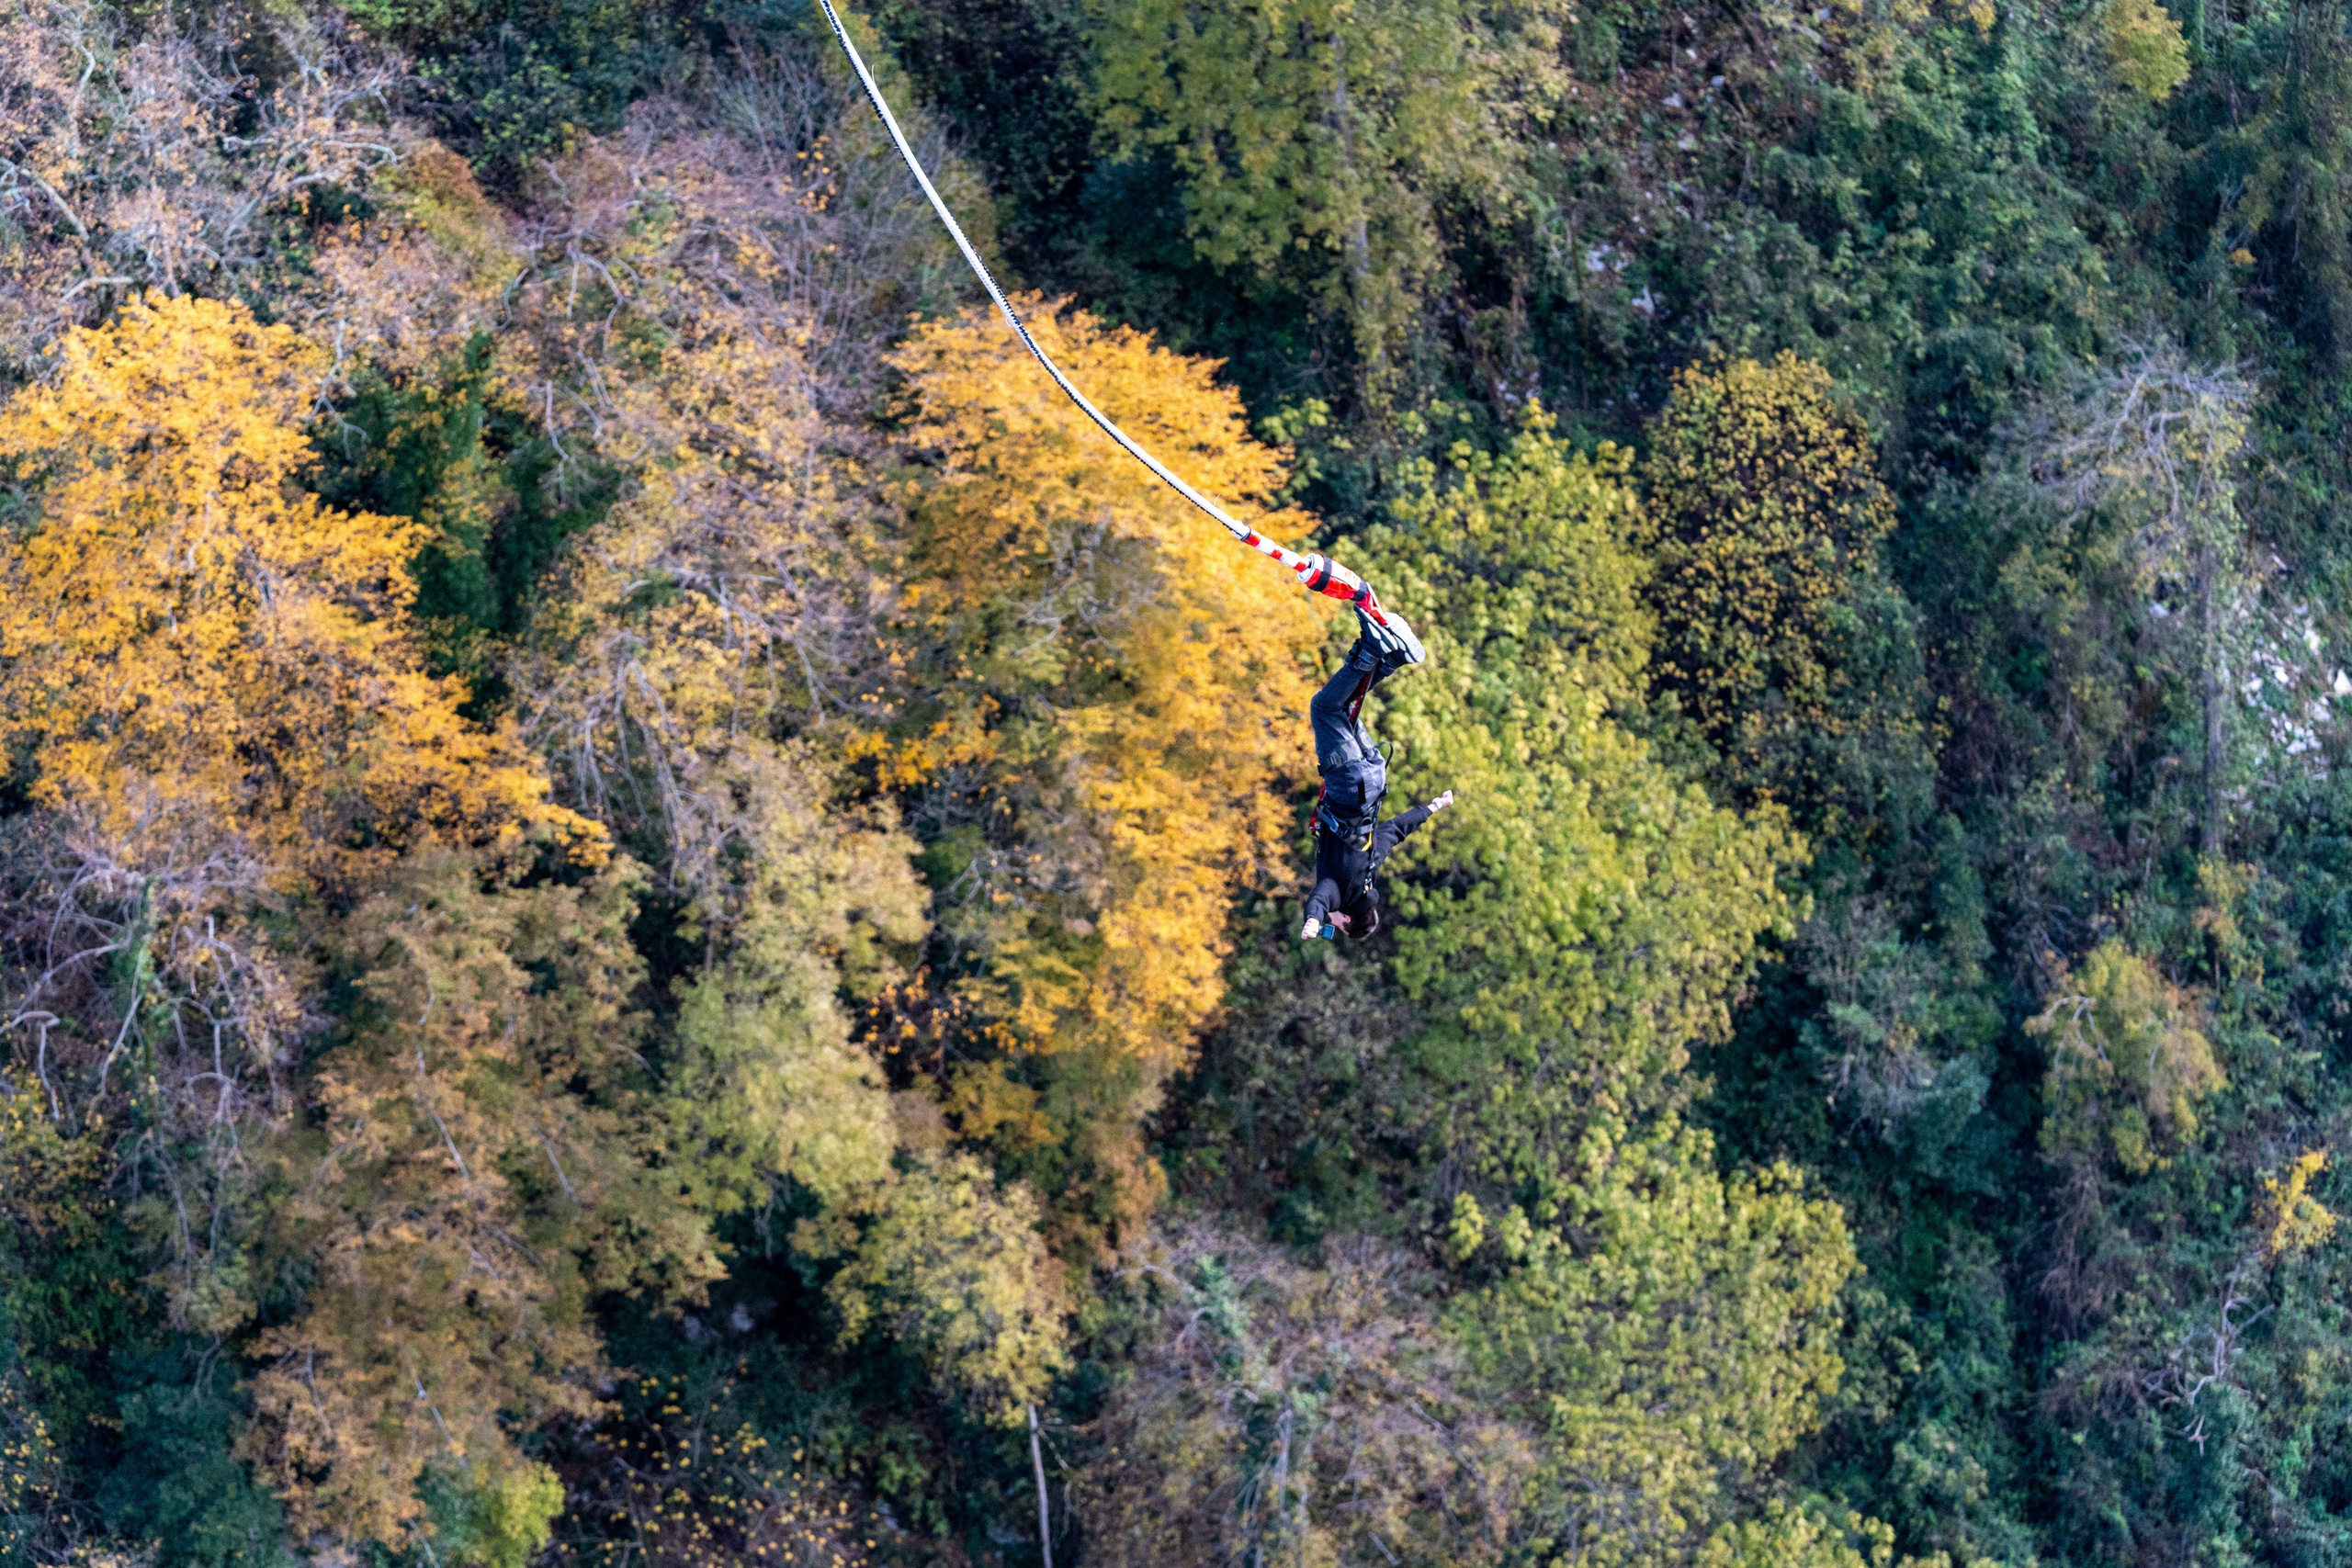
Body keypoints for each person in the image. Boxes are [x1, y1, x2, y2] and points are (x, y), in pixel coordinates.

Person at [1299, 602, 1454, 942]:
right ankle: (1373, 649)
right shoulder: (1341, 894)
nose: (1333, 920)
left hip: (1375, 777)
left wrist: (1433, 807)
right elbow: (1319, 899)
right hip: (1348, 783)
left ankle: (1393, 659)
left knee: (1344, 710)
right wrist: (1313, 921)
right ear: (1345, 919)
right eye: (1337, 925)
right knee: (1324, 708)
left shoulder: (1370, 870)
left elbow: (1395, 831)